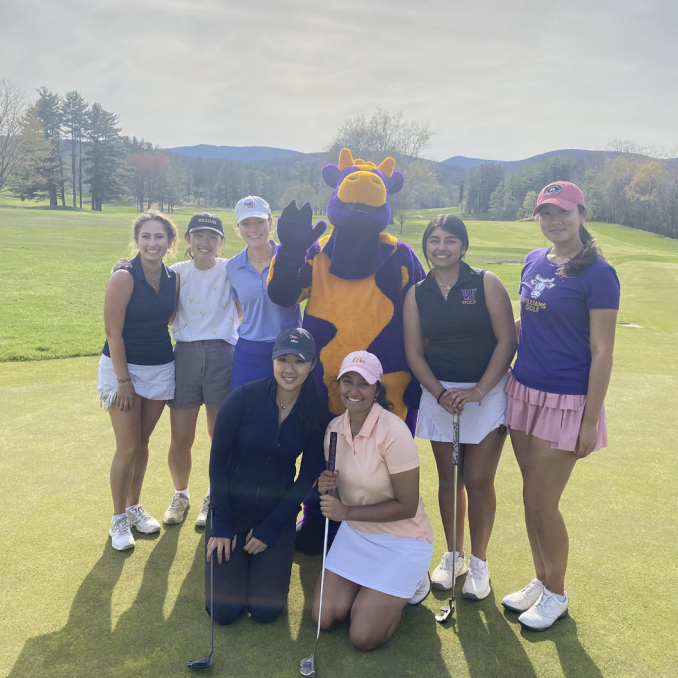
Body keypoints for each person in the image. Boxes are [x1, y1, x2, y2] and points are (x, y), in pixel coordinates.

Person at [502, 181, 619, 631]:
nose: (555, 221)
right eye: (546, 213)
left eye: (563, 212)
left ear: (582, 214)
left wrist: (590, 421)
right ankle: (540, 579)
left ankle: (557, 593)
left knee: (541, 501)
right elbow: (526, 322)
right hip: (524, 392)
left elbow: (602, 351)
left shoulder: (598, 274)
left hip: (568, 402)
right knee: (531, 500)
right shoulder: (535, 260)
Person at [403, 214, 517, 600]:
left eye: (450, 240)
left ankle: (480, 563)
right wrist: (439, 393)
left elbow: (507, 341)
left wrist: (479, 390)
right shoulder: (417, 291)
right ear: (426, 246)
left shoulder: (486, 282)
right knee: (449, 480)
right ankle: (454, 556)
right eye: (434, 240)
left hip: (487, 393)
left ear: (463, 246)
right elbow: (414, 351)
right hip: (440, 396)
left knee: (479, 481)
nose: (442, 247)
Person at [112, 213, 240, 528]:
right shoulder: (177, 274)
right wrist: (121, 266)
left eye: (212, 237)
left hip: (223, 355)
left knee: (218, 434)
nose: (205, 242)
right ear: (186, 240)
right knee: (181, 437)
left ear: (221, 242)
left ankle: (213, 495)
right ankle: (181, 495)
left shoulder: (232, 269)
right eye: (199, 235)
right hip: (184, 357)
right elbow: (160, 303)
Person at [206, 328, 328, 624]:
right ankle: (237, 559)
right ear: (272, 360)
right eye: (283, 359)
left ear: (312, 365)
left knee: (265, 611)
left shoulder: (315, 412)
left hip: (275, 516)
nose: (289, 369)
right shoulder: (243, 398)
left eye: (299, 361)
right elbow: (217, 462)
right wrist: (221, 524)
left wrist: (271, 527)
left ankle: (257, 559)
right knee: (223, 612)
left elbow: (305, 477)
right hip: (231, 513)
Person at [314, 351, 434, 651]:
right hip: (357, 534)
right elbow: (343, 496)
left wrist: (345, 511)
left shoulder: (394, 432)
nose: (354, 391)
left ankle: (412, 583)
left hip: (404, 540)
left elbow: (406, 506)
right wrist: (330, 490)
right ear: (337, 384)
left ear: (377, 390)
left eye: (364, 384)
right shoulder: (333, 431)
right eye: (347, 382)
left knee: (363, 637)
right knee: (323, 617)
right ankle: (376, 591)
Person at [99, 210, 179, 551]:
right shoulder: (123, 277)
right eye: (145, 236)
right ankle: (118, 519)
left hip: (161, 367)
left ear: (170, 242)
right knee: (128, 446)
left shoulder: (174, 278)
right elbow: (113, 332)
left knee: (143, 444)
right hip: (123, 369)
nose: (152, 243)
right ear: (137, 240)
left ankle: (133, 508)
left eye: (159, 236)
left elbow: (171, 318)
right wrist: (123, 381)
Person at [227, 196, 301, 390]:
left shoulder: (291, 259)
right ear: (238, 227)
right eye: (246, 223)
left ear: (271, 222)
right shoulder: (232, 267)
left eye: (260, 221)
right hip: (249, 350)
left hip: (290, 349)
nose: (253, 229)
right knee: (247, 412)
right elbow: (239, 308)